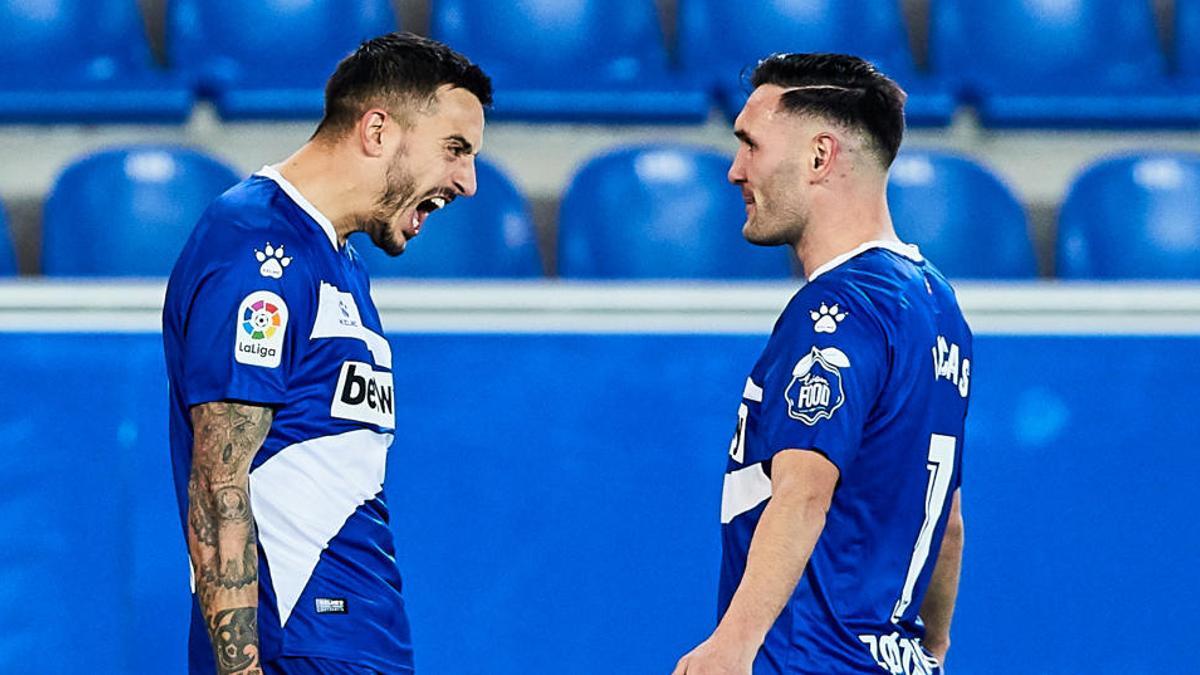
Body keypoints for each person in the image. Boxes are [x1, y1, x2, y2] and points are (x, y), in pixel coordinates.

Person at [162, 33, 491, 675]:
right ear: (377, 130)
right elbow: (218, 478)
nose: (468, 182)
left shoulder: (338, 260)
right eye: (455, 149)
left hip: (353, 644)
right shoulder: (259, 250)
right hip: (296, 649)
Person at [673, 53, 971, 675]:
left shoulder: (837, 306)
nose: (734, 171)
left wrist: (732, 645)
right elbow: (946, 524)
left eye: (750, 145)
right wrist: (932, 651)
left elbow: (804, 492)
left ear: (819, 156)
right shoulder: (939, 304)